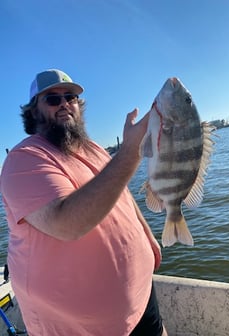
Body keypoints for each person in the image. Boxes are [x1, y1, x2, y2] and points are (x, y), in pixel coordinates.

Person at [0, 69, 168, 336]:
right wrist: (130, 152)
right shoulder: (24, 158)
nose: (65, 103)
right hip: (78, 326)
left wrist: (147, 235)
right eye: (53, 99)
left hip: (141, 294)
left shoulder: (94, 148)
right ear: (33, 112)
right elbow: (67, 223)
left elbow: (120, 192)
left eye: (71, 97)